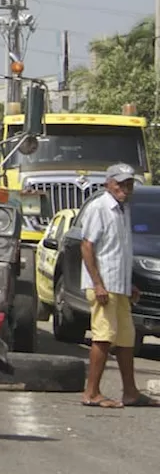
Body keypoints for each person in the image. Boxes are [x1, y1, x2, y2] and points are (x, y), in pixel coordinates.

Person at [79, 164, 158, 408]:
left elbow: (119, 251)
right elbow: (87, 246)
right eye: (120, 183)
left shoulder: (123, 210)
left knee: (125, 340)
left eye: (129, 184)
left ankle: (131, 392)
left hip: (119, 285)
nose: (125, 188)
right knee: (103, 338)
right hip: (103, 286)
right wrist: (98, 284)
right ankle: (91, 393)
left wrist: (129, 283)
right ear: (108, 184)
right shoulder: (99, 207)